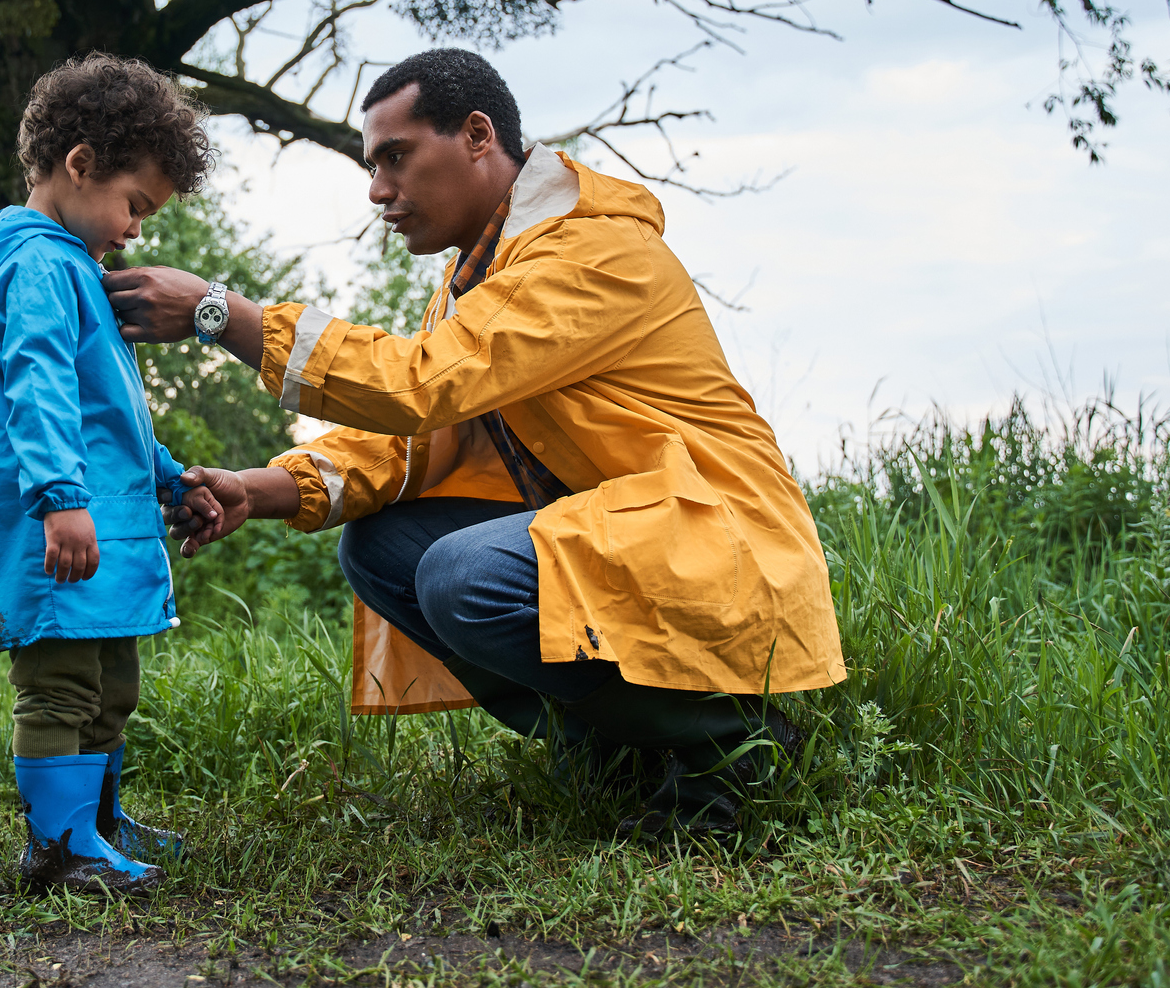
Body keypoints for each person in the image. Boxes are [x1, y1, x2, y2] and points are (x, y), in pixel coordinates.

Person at [103, 49, 847, 837]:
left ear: (477, 135)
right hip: (621, 532)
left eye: (397, 157)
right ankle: (618, 753)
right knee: (378, 547)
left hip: (713, 534)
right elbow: (420, 435)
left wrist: (227, 315)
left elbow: (420, 382)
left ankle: (740, 750)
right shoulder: (479, 275)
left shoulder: (590, 252)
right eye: (371, 165)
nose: (378, 191)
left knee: (465, 575)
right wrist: (260, 489)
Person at [0, 54, 242, 892]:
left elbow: (109, 415)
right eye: (133, 203)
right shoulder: (37, 263)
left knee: (111, 684)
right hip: (61, 523)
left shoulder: (72, 268)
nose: (137, 227)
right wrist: (60, 500)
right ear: (79, 165)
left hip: (97, 517)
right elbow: (36, 388)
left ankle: (95, 826)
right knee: (60, 687)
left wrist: (171, 479)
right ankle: (56, 850)